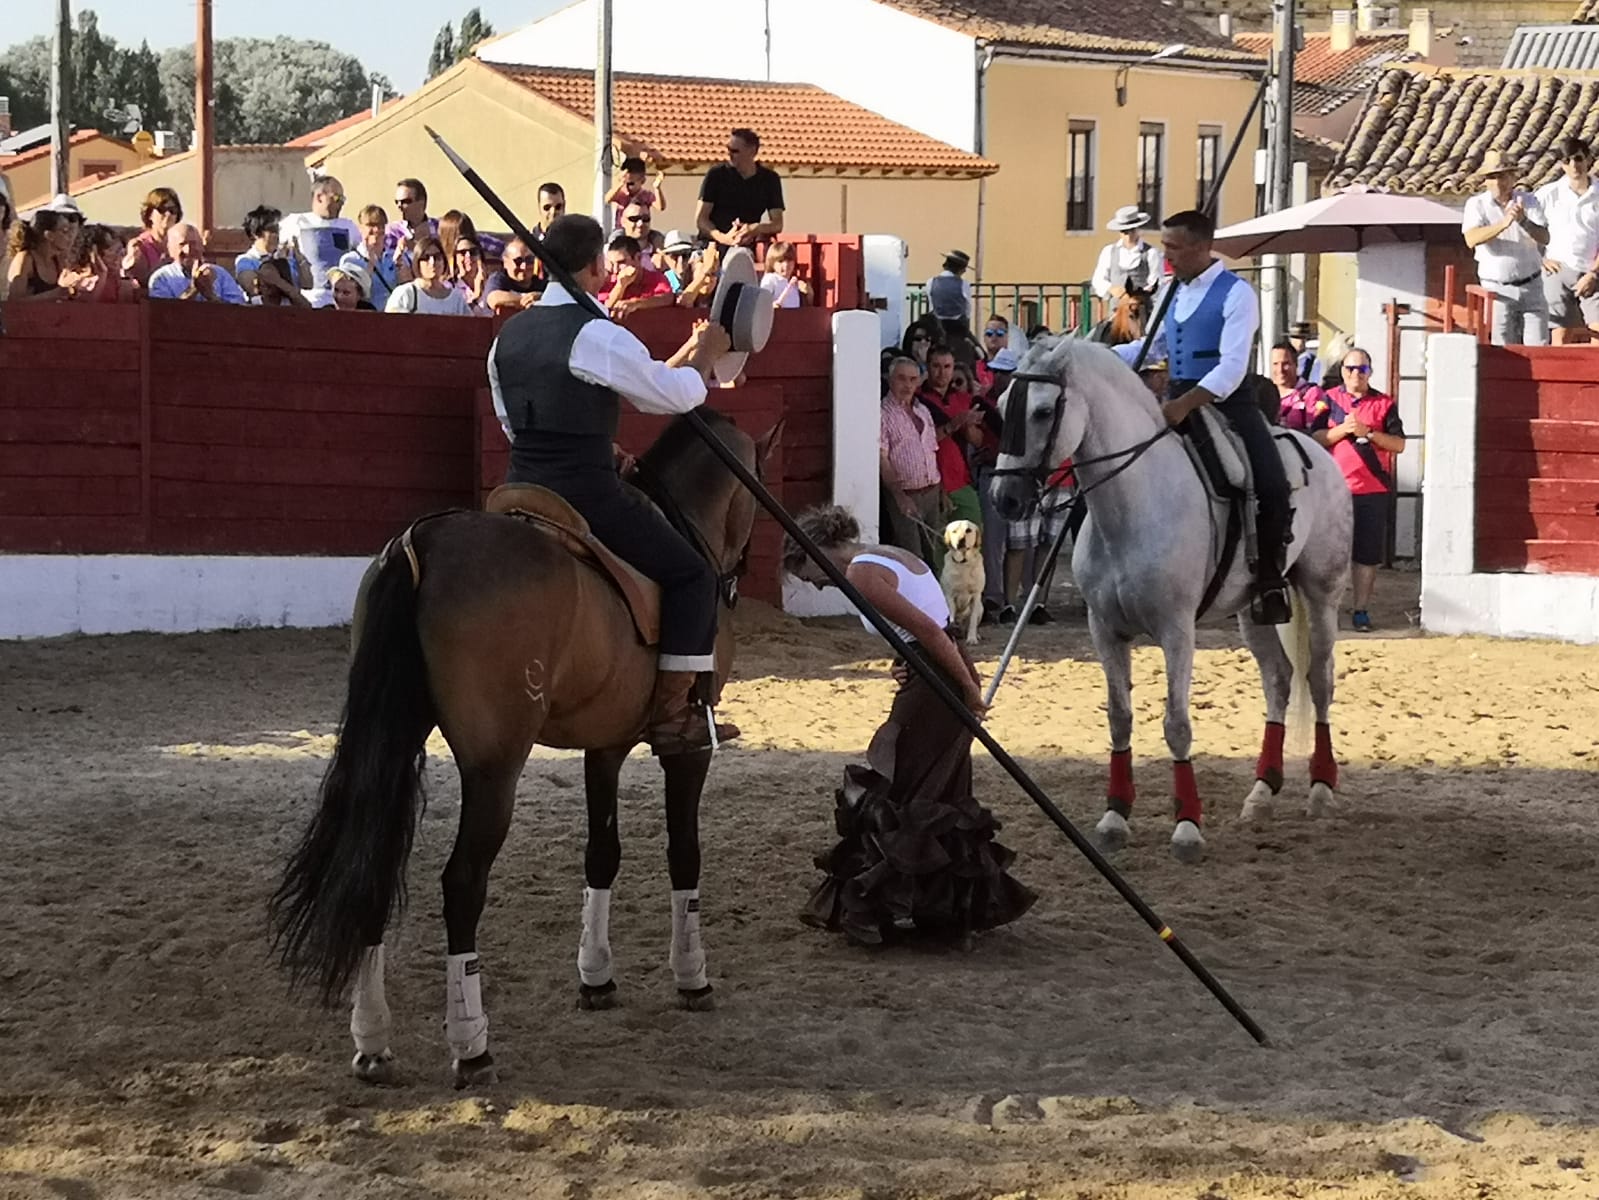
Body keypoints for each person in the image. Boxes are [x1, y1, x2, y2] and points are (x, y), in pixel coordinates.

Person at [488, 213, 734, 755]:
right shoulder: (594, 333)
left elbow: (512, 424)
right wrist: (707, 361)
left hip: (518, 487)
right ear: (598, 265)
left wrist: (599, 443)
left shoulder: (507, 337)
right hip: (584, 495)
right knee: (694, 575)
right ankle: (672, 716)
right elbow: (667, 397)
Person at [784, 505, 1035, 947]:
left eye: (808, 572)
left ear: (816, 549)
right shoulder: (886, 554)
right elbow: (925, 629)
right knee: (938, 790)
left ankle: (881, 910)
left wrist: (969, 690)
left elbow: (934, 634)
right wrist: (906, 663)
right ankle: (941, 916)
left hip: (938, 679)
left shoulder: (861, 574)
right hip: (936, 671)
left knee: (900, 787)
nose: (817, 583)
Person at [1116, 208, 1292, 625]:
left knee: (1271, 484)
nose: (1168, 257)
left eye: (1174, 248)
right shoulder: (1170, 290)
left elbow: (1231, 368)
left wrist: (1186, 403)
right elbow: (1152, 349)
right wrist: (1098, 356)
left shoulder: (1237, 293)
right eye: (1165, 247)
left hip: (1228, 403)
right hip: (1174, 399)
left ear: (1202, 246)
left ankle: (1269, 578)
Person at [1309, 346, 1405, 633]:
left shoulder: (1384, 404)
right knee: (1329, 553)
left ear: (1370, 372)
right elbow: (1315, 436)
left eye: (1361, 369)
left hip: (1371, 490)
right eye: (1350, 369)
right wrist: (1344, 430)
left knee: (1366, 555)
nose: (1355, 374)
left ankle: (1360, 608)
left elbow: (1399, 444)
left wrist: (1370, 434)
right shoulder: (1327, 400)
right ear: (1342, 371)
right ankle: (1328, 607)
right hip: (1333, 490)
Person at [1462, 149, 1550, 346]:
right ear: (1485, 181)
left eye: (1502, 176)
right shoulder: (1476, 204)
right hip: (1497, 289)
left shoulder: (1529, 201)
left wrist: (1522, 221)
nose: (1497, 182)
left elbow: (1545, 237)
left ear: (1512, 177)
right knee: (1502, 350)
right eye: (1492, 177)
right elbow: (1471, 238)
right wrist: (1503, 224)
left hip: (1532, 285)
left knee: (1539, 347)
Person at [879, 356, 945, 569]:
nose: (907, 385)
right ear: (890, 380)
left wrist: (942, 490)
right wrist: (899, 497)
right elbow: (882, 459)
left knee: (935, 553)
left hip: (932, 491)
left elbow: (933, 451)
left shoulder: (922, 410)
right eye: (901, 379)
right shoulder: (882, 413)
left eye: (912, 379)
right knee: (913, 558)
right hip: (907, 493)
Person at [1535, 136, 1599, 345]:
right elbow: (1528, 230)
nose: (1574, 165)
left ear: (1588, 159)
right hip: (1558, 270)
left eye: (1578, 158)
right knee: (1560, 334)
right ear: (1561, 164)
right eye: (1567, 160)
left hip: (1593, 270)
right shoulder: (1547, 194)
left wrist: (1593, 273)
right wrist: (1540, 259)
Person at [918, 346, 984, 532]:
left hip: (962, 481)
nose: (942, 372)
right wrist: (954, 424)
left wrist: (969, 424)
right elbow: (920, 443)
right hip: (931, 484)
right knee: (938, 550)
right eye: (936, 366)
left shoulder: (964, 398)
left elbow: (978, 441)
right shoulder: (917, 399)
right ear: (927, 367)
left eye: (947, 366)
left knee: (970, 547)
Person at [281, 174, 364, 307]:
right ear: (319, 197)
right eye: (337, 198)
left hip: (340, 301)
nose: (341, 204)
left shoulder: (349, 226)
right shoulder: (295, 222)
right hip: (308, 299)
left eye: (343, 199)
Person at [696, 128, 784, 248]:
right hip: (711, 246)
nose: (729, 154)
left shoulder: (769, 179)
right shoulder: (716, 175)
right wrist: (723, 238)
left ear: (752, 151)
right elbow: (701, 219)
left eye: (735, 151)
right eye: (728, 149)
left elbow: (777, 224)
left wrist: (754, 228)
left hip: (745, 248)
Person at [147, 223, 249, 304]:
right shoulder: (161, 278)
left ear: (201, 246)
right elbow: (165, 315)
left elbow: (237, 312)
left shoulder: (220, 274)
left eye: (193, 244)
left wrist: (211, 296)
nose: (188, 250)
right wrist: (194, 289)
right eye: (182, 244)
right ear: (169, 249)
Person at [339, 203, 407, 312]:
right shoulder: (350, 260)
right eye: (370, 225)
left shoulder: (392, 257)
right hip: (366, 316)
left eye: (380, 225)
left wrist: (400, 265)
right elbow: (355, 295)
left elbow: (405, 290)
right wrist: (370, 264)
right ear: (360, 228)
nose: (376, 230)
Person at [385, 235, 475, 315]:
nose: (432, 263)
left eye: (437, 257)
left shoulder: (456, 299)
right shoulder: (406, 293)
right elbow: (392, 326)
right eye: (426, 258)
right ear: (417, 262)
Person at [1091, 206, 1163, 302]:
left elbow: (1157, 282)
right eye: (1124, 232)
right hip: (1116, 308)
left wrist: (1142, 294)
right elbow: (1098, 279)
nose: (1128, 236)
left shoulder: (1151, 253)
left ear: (1137, 229)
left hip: (1142, 308)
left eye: (1132, 231)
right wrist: (1111, 288)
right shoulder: (1109, 251)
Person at [5, 205, 76, 301]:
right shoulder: (25, 259)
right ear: (49, 235)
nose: (70, 236)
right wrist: (55, 293)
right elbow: (14, 302)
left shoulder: (58, 261)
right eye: (64, 231)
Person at [59, 223, 139, 303]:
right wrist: (102, 275)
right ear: (94, 252)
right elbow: (85, 310)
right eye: (114, 251)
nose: (119, 257)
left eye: (121, 251)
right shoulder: (77, 281)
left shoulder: (118, 281)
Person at [600, 232, 674, 316]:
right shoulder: (608, 282)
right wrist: (620, 286)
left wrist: (636, 303)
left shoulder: (656, 279)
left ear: (638, 258)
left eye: (621, 262)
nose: (615, 270)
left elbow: (667, 298)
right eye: (612, 264)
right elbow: (603, 309)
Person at [125, 187, 181, 288]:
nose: (168, 214)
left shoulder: (182, 244)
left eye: (173, 210)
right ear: (150, 214)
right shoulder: (139, 245)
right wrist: (162, 266)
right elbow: (141, 282)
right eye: (162, 209)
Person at [1270, 339, 1327, 431]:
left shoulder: (1312, 393)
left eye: (1285, 364)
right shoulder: (1264, 392)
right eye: (1275, 364)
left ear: (1296, 364)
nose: (1280, 369)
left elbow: (1316, 431)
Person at [484, 235, 545, 315]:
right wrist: (528, 300)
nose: (524, 266)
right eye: (518, 261)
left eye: (529, 260)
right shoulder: (498, 279)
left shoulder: (542, 283)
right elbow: (493, 298)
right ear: (505, 263)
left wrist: (541, 297)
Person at [925, 250, 973, 339]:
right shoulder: (964, 284)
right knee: (977, 348)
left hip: (937, 325)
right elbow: (968, 309)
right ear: (960, 269)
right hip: (958, 326)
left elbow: (931, 305)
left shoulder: (931, 282)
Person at [607, 155, 666, 226]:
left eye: (630, 184)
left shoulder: (646, 195)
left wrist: (657, 188)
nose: (626, 186)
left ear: (642, 181)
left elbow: (660, 207)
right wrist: (620, 184)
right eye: (624, 183)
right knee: (614, 237)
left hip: (640, 228)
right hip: (622, 230)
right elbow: (607, 199)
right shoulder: (622, 194)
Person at [760, 240, 809, 308]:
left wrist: (808, 292)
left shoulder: (796, 283)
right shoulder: (770, 279)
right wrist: (772, 306)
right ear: (772, 263)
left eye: (789, 260)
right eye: (780, 261)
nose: (786, 265)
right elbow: (762, 302)